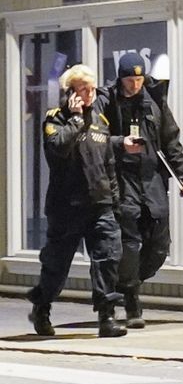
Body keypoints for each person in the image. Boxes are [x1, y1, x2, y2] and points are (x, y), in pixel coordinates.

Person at [27, 64, 127, 338]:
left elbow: (108, 164)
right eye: (83, 89)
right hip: (66, 208)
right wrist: (74, 118)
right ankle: (41, 307)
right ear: (70, 92)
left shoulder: (101, 121)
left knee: (107, 258)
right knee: (57, 265)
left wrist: (114, 200)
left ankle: (107, 316)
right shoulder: (55, 119)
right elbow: (58, 149)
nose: (89, 94)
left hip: (100, 204)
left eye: (92, 88)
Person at [97, 52, 183, 329]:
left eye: (139, 79)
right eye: (130, 79)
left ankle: (128, 283)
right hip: (122, 179)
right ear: (121, 77)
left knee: (159, 247)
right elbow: (95, 138)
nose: (135, 84)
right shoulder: (107, 101)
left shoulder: (155, 100)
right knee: (128, 244)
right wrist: (120, 142)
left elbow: (170, 141)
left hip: (151, 180)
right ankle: (131, 299)